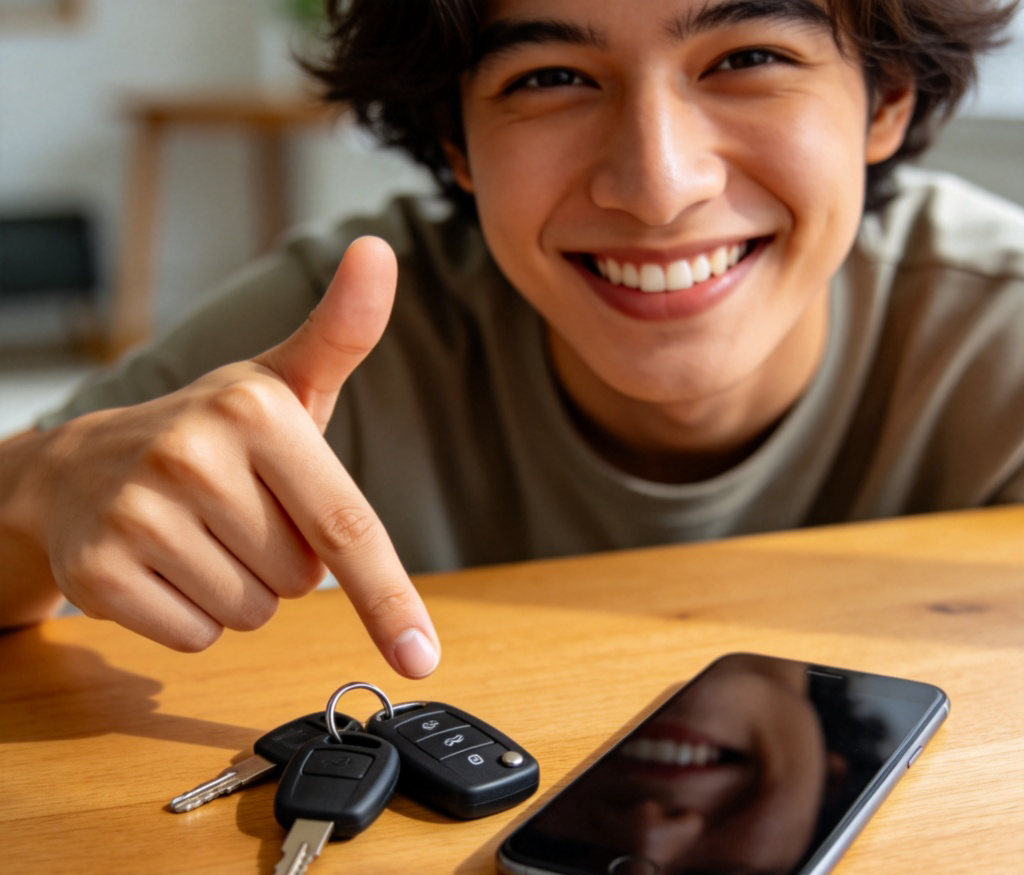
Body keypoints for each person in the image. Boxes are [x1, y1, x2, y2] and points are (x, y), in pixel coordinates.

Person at [1, 0, 1022, 680]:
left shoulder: (996, 330)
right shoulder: (339, 329)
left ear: (885, 100)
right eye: (549, 78)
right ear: (455, 141)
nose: (658, 184)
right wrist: (40, 490)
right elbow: (47, 512)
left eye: (749, 59)